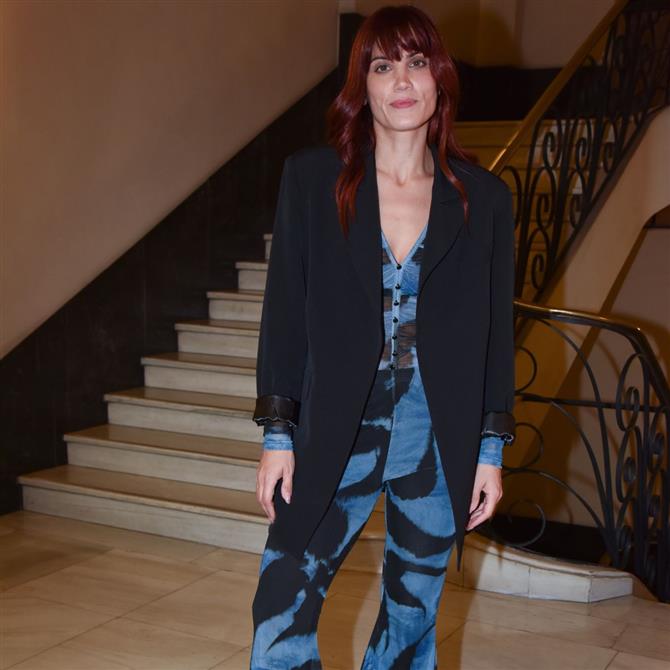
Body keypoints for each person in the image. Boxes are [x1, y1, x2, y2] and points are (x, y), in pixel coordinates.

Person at [248, 5, 516, 669]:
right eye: (382, 65)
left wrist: (489, 449)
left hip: (437, 436)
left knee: (411, 619)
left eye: (417, 62)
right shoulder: (314, 180)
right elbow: (284, 314)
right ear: (361, 85)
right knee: (282, 604)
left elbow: (494, 335)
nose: (401, 80)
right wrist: (278, 435)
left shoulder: (482, 198)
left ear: (439, 80)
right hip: (337, 428)